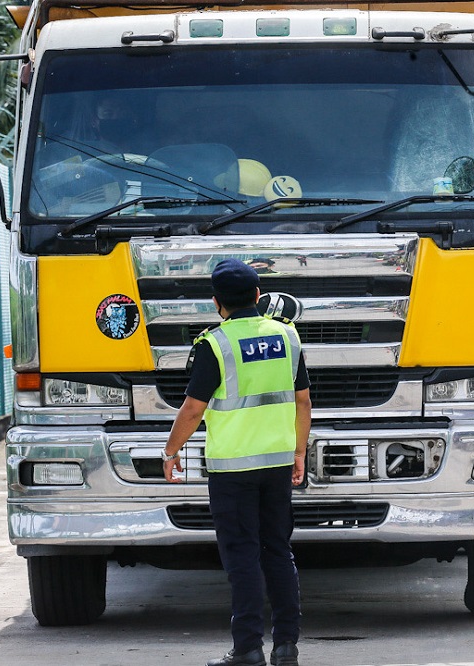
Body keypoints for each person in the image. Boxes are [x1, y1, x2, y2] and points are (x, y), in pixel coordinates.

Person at [162, 259, 311, 666]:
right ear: (258, 296)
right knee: (278, 551)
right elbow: (303, 401)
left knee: (242, 556)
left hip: (232, 470)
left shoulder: (215, 344)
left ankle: (247, 648)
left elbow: (193, 410)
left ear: (216, 303)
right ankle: (286, 647)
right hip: (278, 464)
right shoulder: (287, 336)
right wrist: (299, 452)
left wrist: (171, 452)